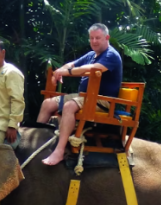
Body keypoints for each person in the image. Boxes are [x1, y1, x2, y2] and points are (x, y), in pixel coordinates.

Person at [37, 23, 123, 165]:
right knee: (47, 103)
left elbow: (91, 69)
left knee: (69, 106)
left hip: (102, 101)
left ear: (107, 38)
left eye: (98, 38)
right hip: (84, 97)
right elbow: (72, 64)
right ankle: (37, 142)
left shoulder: (111, 55)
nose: (94, 41)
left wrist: (66, 72)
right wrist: (59, 72)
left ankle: (59, 151)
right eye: (91, 38)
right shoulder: (91, 54)